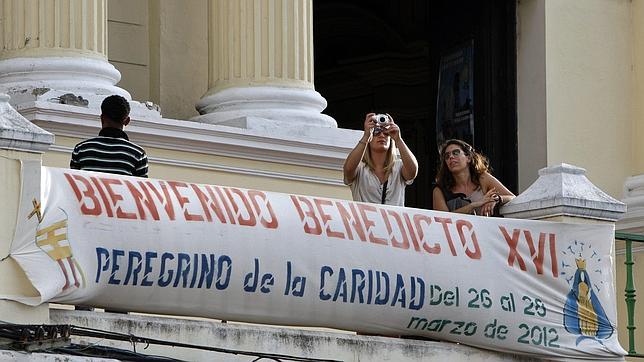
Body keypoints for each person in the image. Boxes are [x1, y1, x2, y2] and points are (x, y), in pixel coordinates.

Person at [343, 113, 418, 206]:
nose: (382, 135)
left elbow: (412, 172)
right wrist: (366, 136)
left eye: (386, 133)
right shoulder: (360, 168)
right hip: (365, 220)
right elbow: (348, 170)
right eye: (376, 132)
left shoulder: (398, 167)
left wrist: (398, 139)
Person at [70, 95, 148, 177]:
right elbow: (141, 188)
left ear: (102, 118)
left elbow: (72, 183)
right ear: (127, 121)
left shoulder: (81, 149)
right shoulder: (138, 154)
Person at [433, 139, 514, 216]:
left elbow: (513, 198)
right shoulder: (439, 190)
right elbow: (442, 219)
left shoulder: (483, 178)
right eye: (447, 156)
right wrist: (473, 205)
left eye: (456, 153)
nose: (451, 157)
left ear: (468, 158)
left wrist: (497, 199)